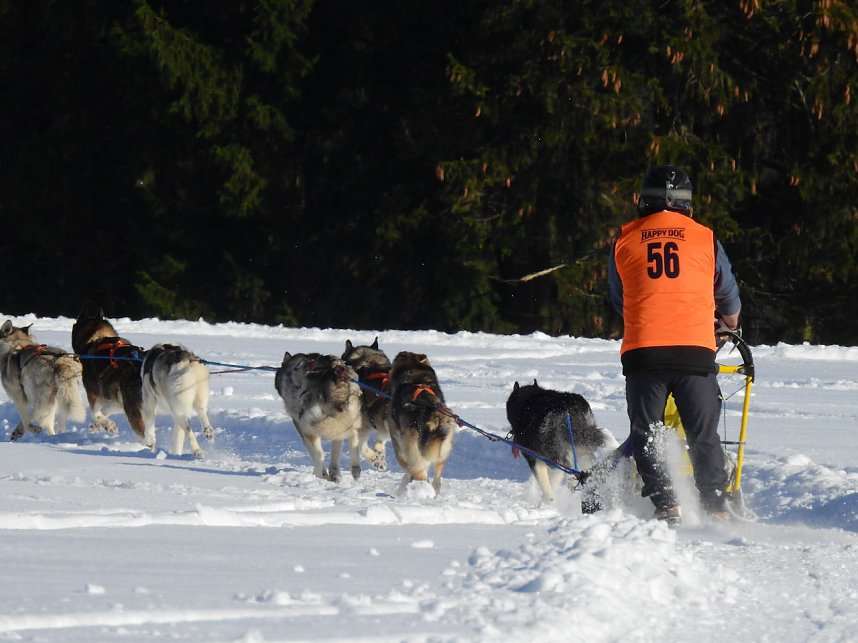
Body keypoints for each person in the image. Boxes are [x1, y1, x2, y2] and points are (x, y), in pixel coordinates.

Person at [607, 165, 741, 526]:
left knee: (646, 432)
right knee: (702, 434)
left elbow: (620, 299)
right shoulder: (704, 237)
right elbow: (727, 293)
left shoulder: (625, 239)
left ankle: (665, 504)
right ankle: (714, 503)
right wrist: (729, 323)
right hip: (694, 351)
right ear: (688, 204)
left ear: (642, 199)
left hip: (644, 351)